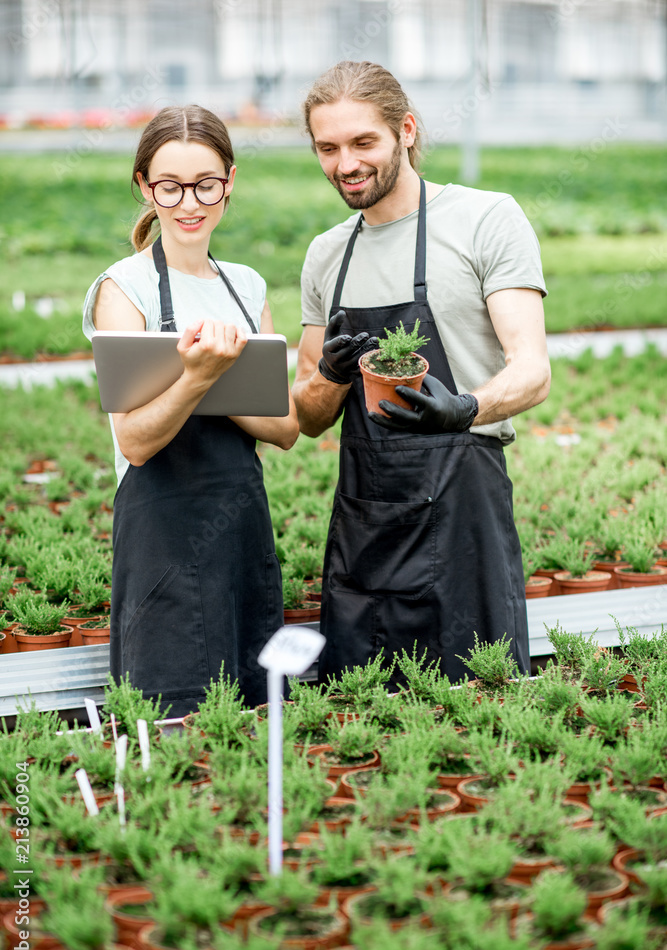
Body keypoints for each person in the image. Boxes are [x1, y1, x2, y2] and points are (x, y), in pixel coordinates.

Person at [293, 62, 550, 686]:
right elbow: (307, 414)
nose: (345, 163)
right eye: (328, 148)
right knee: (362, 702)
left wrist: (464, 407)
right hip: (367, 518)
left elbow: (533, 371)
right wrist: (330, 373)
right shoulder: (328, 253)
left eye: (363, 142)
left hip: (463, 509)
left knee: (476, 703)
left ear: (405, 130)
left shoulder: (485, 218)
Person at [83, 105, 299, 716]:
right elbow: (136, 441)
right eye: (170, 187)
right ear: (145, 188)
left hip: (239, 530)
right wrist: (199, 378)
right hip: (161, 540)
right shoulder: (123, 289)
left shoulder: (246, 286)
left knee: (254, 713)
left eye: (205, 184)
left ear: (229, 181)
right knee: (172, 710)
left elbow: (283, 430)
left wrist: (220, 379)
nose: (189, 203)